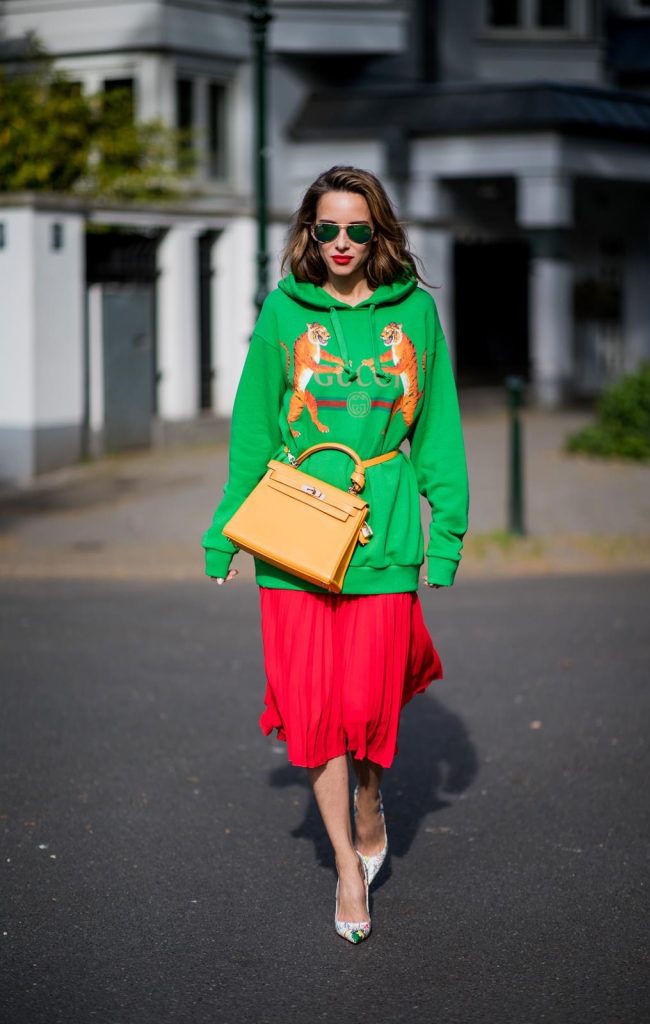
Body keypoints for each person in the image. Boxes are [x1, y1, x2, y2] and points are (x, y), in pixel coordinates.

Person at [202, 165, 468, 944]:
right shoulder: (284, 312)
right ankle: (349, 871)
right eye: (328, 228)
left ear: (378, 233)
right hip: (293, 532)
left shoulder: (414, 314)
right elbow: (252, 429)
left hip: (382, 528)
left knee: (366, 704)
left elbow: (440, 430)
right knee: (313, 708)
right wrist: (225, 532)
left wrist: (444, 534)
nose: (342, 243)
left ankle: (368, 795)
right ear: (308, 232)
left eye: (357, 229)